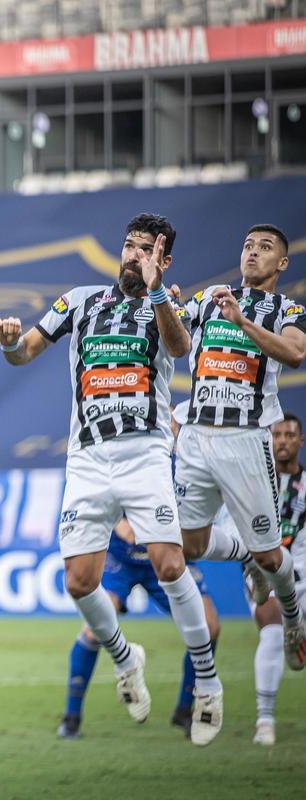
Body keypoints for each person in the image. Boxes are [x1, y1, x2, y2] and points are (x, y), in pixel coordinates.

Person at [0, 212, 224, 746]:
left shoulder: (169, 304)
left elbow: (178, 349)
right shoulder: (80, 301)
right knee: (78, 581)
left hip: (145, 453)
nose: (133, 255)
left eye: (146, 250)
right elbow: (23, 352)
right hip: (88, 459)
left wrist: (157, 289)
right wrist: (7, 341)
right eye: (129, 246)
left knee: (170, 563)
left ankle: (207, 681)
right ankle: (125, 657)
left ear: (163, 261)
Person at [173, 224, 306, 671]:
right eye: (248, 245)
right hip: (196, 434)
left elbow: (294, 355)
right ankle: (243, 552)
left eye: (265, 248)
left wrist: (242, 323)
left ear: (281, 263)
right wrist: (162, 301)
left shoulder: (289, 309)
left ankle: (291, 618)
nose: (253, 253)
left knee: (272, 555)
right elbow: (172, 330)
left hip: (248, 439)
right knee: (187, 546)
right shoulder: (211, 297)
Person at [57, 518, 220, 740]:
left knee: (210, 628)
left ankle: (184, 710)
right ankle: (71, 718)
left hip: (165, 552)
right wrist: (117, 520)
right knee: (93, 631)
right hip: (119, 556)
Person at [245, 412, 306, 745]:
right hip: (265, 577)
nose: (282, 440)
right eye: (277, 434)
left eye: (289, 435)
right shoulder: (254, 484)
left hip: (303, 577)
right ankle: (264, 721)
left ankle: (298, 636)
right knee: (271, 629)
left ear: (300, 441)